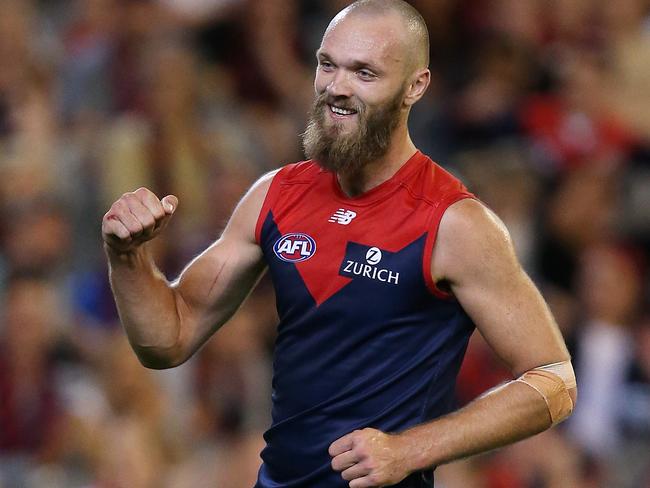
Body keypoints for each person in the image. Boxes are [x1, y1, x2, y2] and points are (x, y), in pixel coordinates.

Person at [101, 1, 577, 486]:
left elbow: (554, 381)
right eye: (327, 65)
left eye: (364, 73)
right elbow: (169, 338)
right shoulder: (275, 195)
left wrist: (410, 449)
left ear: (416, 86)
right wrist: (128, 259)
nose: (337, 88)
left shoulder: (453, 222)